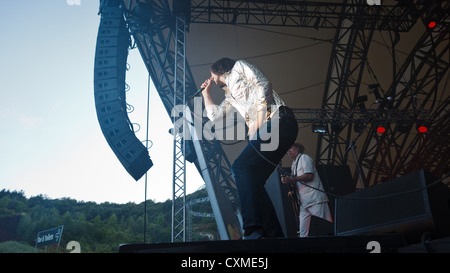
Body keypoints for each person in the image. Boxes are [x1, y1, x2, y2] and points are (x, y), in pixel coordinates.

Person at [200, 58, 298, 239]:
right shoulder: (230, 97)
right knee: (252, 180)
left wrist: (259, 122)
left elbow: (263, 84)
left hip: (279, 120)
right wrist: (206, 94)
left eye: (212, 74)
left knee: (240, 167)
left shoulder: (239, 67)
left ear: (218, 69)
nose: (211, 78)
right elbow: (215, 116)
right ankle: (274, 236)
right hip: (269, 132)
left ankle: (253, 229)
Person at [281, 143, 332, 237]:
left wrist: (292, 179)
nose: (288, 151)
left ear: (298, 148)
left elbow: (309, 176)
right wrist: (289, 183)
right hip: (304, 202)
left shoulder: (304, 157)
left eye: (290, 148)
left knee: (325, 228)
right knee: (303, 234)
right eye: (287, 149)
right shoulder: (293, 165)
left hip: (315, 199)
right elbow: (298, 181)